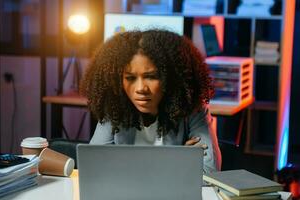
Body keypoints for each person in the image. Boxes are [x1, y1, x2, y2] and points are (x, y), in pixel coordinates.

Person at [80, 29, 221, 173]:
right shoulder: (115, 107)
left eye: (151, 76)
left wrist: (125, 166)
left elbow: (209, 171)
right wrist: (179, 159)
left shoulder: (192, 108)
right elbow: (94, 167)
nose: (141, 88)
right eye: (130, 78)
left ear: (171, 77)